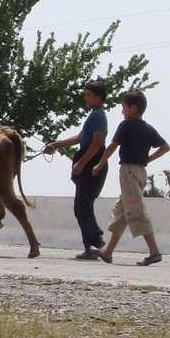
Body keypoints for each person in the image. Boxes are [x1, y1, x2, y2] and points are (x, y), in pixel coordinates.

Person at [92, 89, 169, 265]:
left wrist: (100, 164)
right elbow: (165, 147)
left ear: (133, 108)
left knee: (136, 209)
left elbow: (112, 145)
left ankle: (154, 251)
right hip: (141, 172)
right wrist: (147, 159)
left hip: (129, 172)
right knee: (122, 211)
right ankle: (108, 252)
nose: (122, 111)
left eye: (124, 107)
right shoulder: (148, 129)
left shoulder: (126, 125)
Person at [43, 80, 109, 260]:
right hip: (89, 160)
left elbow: (97, 142)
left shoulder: (97, 116)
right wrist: (56, 145)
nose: (86, 98)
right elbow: (80, 137)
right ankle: (91, 244)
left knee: (83, 205)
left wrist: (81, 164)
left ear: (98, 97)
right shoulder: (94, 116)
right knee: (81, 206)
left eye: (89, 95)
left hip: (90, 161)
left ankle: (95, 239)